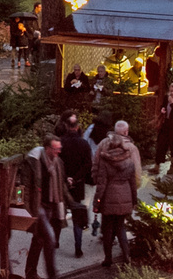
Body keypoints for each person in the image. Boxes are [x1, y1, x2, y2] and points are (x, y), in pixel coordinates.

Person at [93, 120, 141, 266]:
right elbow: (133, 182)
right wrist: (134, 200)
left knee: (107, 229)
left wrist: (97, 202)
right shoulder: (129, 161)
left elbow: (101, 183)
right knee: (121, 227)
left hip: (108, 198)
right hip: (125, 197)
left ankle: (108, 258)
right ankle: (126, 256)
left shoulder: (105, 159)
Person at [22, 134, 66, 279]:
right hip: (38, 206)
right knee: (50, 238)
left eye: (59, 148)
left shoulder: (57, 162)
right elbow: (26, 187)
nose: (58, 152)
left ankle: (30, 272)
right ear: (47, 148)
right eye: (55, 149)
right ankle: (53, 276)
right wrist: (29, 210)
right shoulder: (34, 162)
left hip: (51, 205)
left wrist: (71, 203)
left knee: (39, 239)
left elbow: (62, 185)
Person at [56, 113, 94, 257]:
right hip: (77, 184)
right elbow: (88, 164)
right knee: (77, 214)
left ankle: (56, 240)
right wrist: (76, 178)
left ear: (66, 126)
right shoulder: (84, 144)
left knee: (61, 211)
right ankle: (78, 247)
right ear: (78, 127)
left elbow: (57, 163)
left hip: (62, 183)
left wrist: (66, 178)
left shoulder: (61, 142)